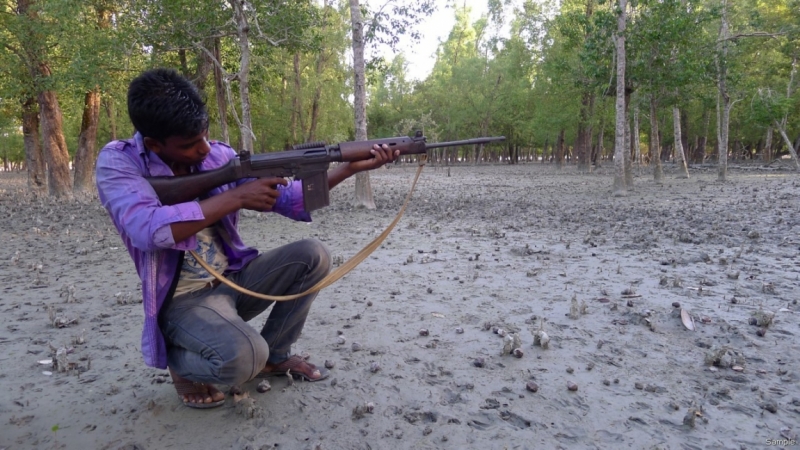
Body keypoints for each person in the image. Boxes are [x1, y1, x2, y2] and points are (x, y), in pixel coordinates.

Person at [96, 68, 398, 409]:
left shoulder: (219, 156)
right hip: (183, 302)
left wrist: (350, 168)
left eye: (205, 134)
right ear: (154, 143)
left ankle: (276, 356)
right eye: (189, 144)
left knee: (313, 254)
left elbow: (290, 199)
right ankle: (180, 363)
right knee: (244, 358)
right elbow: (148, 229)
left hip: (235, 280)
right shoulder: (118, 163)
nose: (204, 148)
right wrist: (237, 196)